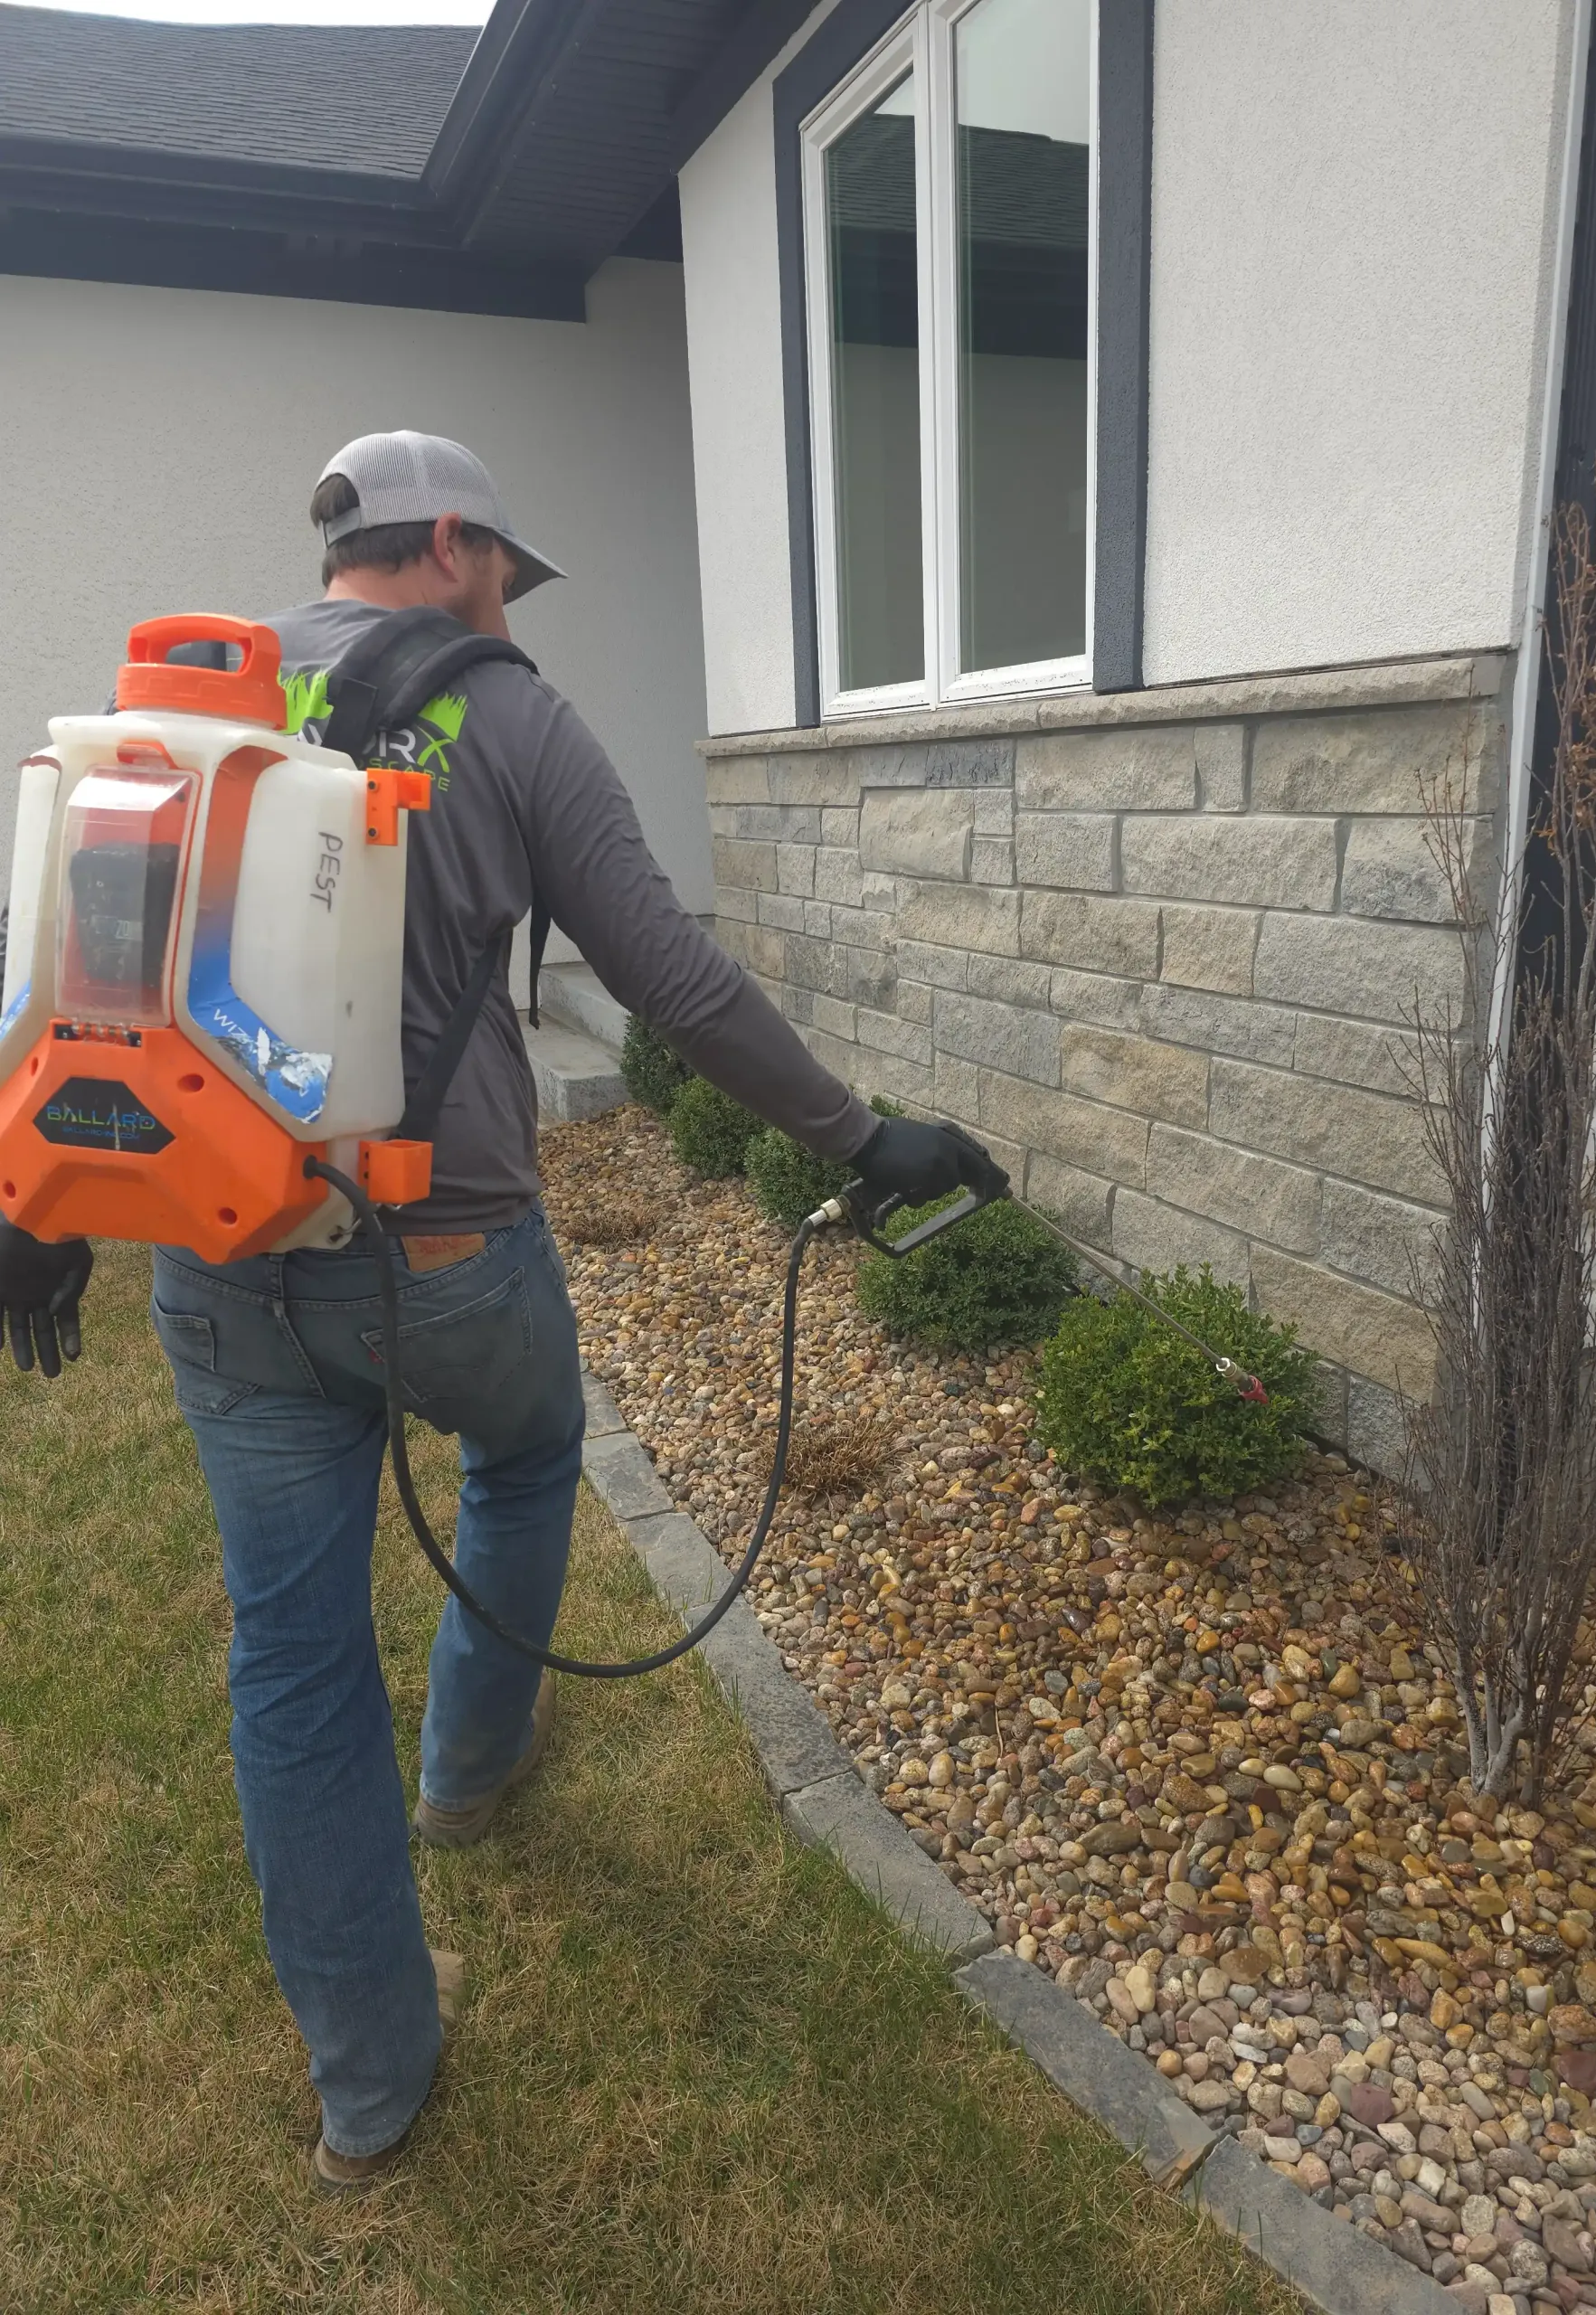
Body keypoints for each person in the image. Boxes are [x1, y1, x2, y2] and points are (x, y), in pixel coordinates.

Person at [0, 430, 1004, 2188]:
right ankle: (468, 1764)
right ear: (449, 541)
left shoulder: (186, 708)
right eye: (502, 572)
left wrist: (38, 1209)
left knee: (293, 1658)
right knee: (533, 1455)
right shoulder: (513, 717)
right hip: (450, 1254)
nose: (507, 602)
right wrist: (861, 1135)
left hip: (225, 1258)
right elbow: (668, 974)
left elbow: (55, 956)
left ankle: (369, 2086)